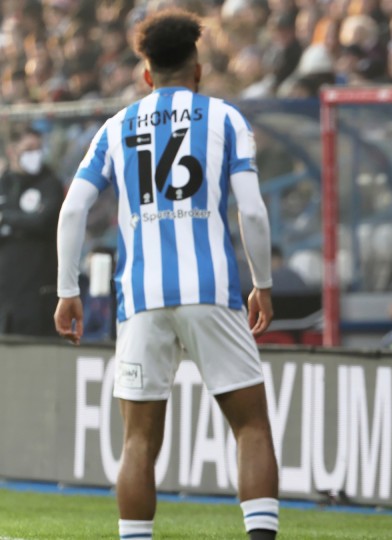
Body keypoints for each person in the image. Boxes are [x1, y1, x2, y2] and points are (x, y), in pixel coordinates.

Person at [53, 10, 279, 540]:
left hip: (140, 298)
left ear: (146, 74)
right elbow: (252, 210)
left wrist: (68, 290)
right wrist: (263, 284)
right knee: (250, 426)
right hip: (211, 291)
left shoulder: (116, 127)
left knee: (138, 441)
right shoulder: (225, 118)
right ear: (197, 70)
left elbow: (72, 209)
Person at [0, 125, 64, 336]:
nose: (35, 154)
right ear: (12, 151)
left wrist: (6, 218)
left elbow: (42, 221)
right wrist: (22, 221)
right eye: (28, 149)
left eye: (38, 148)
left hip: (38, 287)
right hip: (6, 287)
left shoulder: (50, 183)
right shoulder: (4, 183)